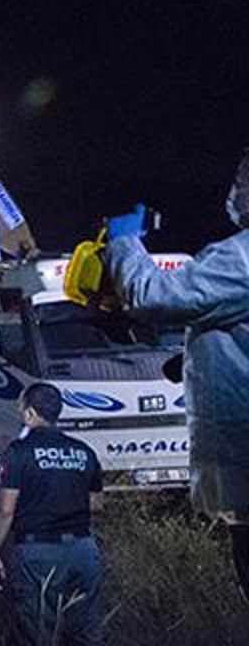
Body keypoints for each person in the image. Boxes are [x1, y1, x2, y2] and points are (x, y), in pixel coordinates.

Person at [101, 152, 249, 601]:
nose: (235, 190)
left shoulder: (240, 259)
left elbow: (153, 294)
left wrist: (124, 242)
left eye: (242, 179)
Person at [0, 382, 104, 646]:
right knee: (85, 635)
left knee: (36, 634)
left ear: (29, 413)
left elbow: (5, 509)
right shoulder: (84, 451)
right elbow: (96, 504)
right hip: (83, 551)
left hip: (37, 554)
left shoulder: (18, 452)